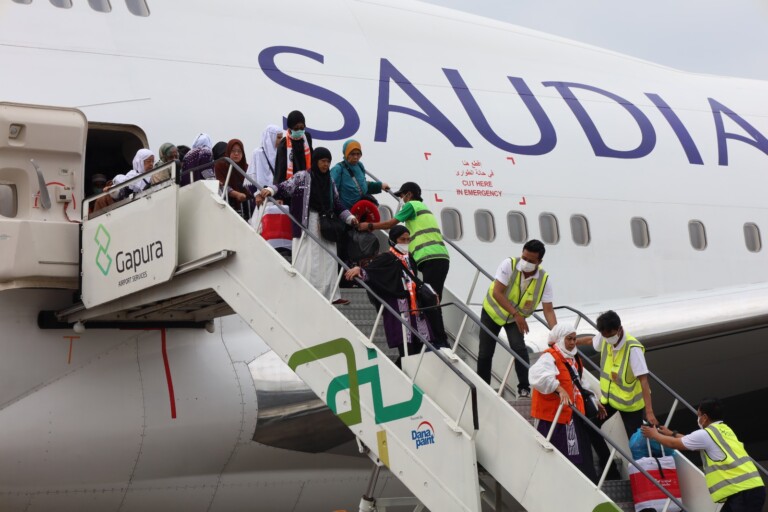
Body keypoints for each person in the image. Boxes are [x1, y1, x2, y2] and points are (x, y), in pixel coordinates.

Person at [260, 147, 358, 304]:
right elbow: (285, 187)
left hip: (327, 224)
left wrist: (350, 218)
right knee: (307, 257)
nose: (325, 165)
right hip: (307, 222)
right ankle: (304, 293)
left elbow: (338, 204)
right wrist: (270, 190)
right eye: (322, 161)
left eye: (328, 162)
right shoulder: (302, 177)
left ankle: (331, 295)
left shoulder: (330, 181)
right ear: (315, 161)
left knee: (328, 259)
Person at [357, 182, 450, 348]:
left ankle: (441, 340)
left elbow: (391, 224)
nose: (400, 199)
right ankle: (438, 338)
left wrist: (369, 226)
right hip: (438, 257)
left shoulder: (412, 205)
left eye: (401, 196)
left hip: (431, 257)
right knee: (433, 297)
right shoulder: (422, 208)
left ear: (409, 195)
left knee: (431, 299)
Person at [642, 399, 765, 512]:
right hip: (750, 488)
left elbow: (674, 444)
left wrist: (654, 435)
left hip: (743, 492)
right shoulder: (725, 430)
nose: (698, 418)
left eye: (699, 415)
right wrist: (672, 433)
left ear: (705, 417)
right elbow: (692, 441)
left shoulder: (706, 434)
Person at [476, 239, 556, 397]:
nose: (525, 262)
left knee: (519, 349)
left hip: (514, 319)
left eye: (531, 261)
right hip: (493, 312)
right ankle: (483, 386)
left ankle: (524, 388)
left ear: (539, 262)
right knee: (485, 352)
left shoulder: (544, 280)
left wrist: (557, 334)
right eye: (524, 258)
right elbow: (497, 292)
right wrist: (516, 314)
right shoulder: (509, 264)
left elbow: (548, 310)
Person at [344, 225, 431, 367]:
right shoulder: (386, 257)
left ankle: (406, 373)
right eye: (402, 239)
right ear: (393, 240)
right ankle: (404, 375)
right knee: (406, 347)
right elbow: (371, 271)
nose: (405, 243)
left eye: (408, 240)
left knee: (419, 347)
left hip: (414, 308)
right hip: (399, 308)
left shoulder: (410, 259)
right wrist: (359, 269)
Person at [530, 324, 598, 483]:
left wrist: (593, 398)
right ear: (560, 339)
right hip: (557, 418)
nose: (573, 342)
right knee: (569, 457)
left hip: (573, 415)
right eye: (569, 339)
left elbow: (580, 383)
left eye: (574, 339)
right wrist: (559, 388)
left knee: (581, 455)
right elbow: (537, 376)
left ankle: (587, 484)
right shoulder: (549, 357)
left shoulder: (574, 359)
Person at [577, 310, 658, 437]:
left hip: (630, 405)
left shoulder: (633, 348)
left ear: (619, 329)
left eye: (610, 335)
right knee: (590, 425)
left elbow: (644, 381)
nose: (608, 339)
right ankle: (605, 457)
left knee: (635, 442)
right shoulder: (604, 336)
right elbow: (590, 341)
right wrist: (572, 342)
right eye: (604, 335)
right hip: (610, 399)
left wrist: (649, 412)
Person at [330, 139, 389, 211]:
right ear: (346, 153)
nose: (355, 157)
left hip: (362, 210)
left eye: (358, 154)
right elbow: (331, 192)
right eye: (352, 154)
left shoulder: (360, 166)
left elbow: (362, 186)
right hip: (345, 213)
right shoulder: (338, 169)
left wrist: (380, 186)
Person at [214, 138, 252, 216]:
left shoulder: (247, 168)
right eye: (233, 151)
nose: (236, 154)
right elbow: (221, 185)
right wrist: (236, 194)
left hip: (247, 208)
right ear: (228, 151)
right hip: (228, 206)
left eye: (239, 151)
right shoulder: (220, 165)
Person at [274, 110, 313, 184]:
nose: (299, 131)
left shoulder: (307, 138)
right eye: (296, 128)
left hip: (307, 183)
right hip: (290, 184)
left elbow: (312, 159)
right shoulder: (283, 144)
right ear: (290, 128)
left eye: (302, 128)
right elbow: (280, 171)